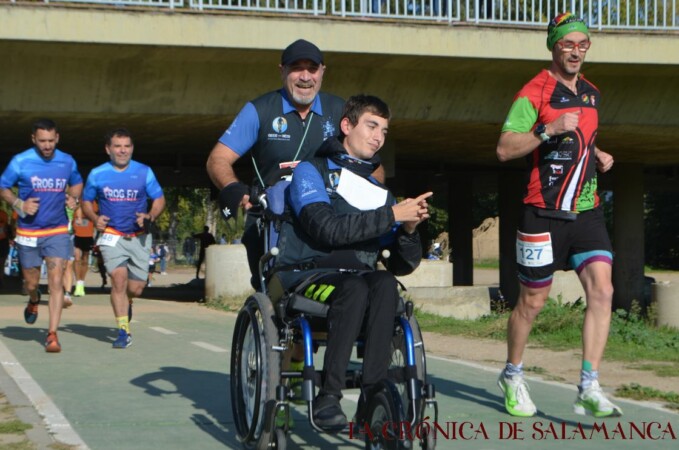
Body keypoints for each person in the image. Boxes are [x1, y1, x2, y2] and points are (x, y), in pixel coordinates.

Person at [275, 95, 431, 431]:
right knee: (356, 289)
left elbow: (403, 265)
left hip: (357, 278)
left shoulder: (378, 191)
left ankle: (372, 396)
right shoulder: (309, 172)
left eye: (385, 131)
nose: (378, 137)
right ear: (347, 126)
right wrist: (391, 214)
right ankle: (329, 396)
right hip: (308, 274)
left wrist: (408, 229)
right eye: (371, 126)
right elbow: (326, 229)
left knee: (387, 283)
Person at [495, 12, 621, 418]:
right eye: (568, 43)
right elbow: (504, 148)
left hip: (586, 210)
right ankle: (512, 374)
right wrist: (547, 130)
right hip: (542, 211)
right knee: (532, 302)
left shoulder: (592, 92)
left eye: (583, 44)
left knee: (603, 290)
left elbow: (584, 135)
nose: (576, 51)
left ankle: (589, 384)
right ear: (554, 45)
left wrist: (597, 154)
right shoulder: (533, 91)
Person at [206, 39, 384, 289]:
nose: (305, 76)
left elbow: (373, 166)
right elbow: (218, 159)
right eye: (296, 68)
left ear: (322, 72)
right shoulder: (259, 110)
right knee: (272, 290)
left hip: (327, 217)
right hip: (272, 217)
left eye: (312, 68)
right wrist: (234, 188)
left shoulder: (340, 110)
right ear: (282, 71)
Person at [0, 119, 83, 352]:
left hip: (56, 230)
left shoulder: (67, 161)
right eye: (42, 141)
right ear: (33, 139)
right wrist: (19, 203)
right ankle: (34, 299)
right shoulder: (21, 161)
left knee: (56, 281)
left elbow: (77, 183)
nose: (47, 146)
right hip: (28, 231)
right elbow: (3, 186)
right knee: (31, 282)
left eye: (51, 141)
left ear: (57, 138)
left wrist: (74, 198)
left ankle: (52, 335)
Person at [82, 128, 165, 349]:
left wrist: (150, 215)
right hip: (111, 235)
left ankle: (127, 301)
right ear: (108, 149)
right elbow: (86, 201)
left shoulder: (144, 172)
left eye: (127, 146)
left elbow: (159, 199)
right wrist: (94, 217)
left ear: (132, 148)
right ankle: (123, 330)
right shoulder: (97, 174)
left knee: (136, 287)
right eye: (118, 146)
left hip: (139, 237)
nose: (122, 150)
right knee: (118, 279)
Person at [72, 202, 95, 296]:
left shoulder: (92, 203)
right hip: (75, 232)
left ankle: (82, 282)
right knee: (77, 258)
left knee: (85, 259)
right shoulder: (75, 201)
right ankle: (77, 283)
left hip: (88, 233)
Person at [0, 209, 10, 289]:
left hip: (3, 241)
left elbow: (6, 227)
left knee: (2, 262)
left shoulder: (3, 213)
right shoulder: (4, 213)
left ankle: (1, 280)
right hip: (3, 241)